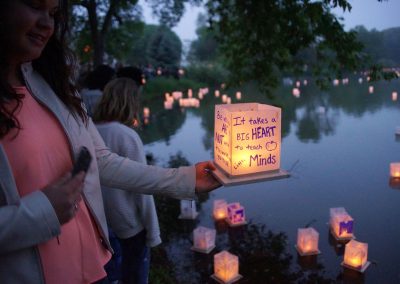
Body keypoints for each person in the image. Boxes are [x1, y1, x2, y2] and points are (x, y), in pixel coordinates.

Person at [0, 1, 221, 283]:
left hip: (96, 269)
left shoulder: (56, 85)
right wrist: (40, 213)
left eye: (54, 13)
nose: (47, 23)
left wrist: (186, 179)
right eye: (35, 5)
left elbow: (102, 160)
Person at [93, 78, 159, 284]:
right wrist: (153, 232)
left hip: (99, 226)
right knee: (135, 276)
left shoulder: (90, 131)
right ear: (131, 102)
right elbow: (142, 187)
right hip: (129, 227)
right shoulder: (127, 136)